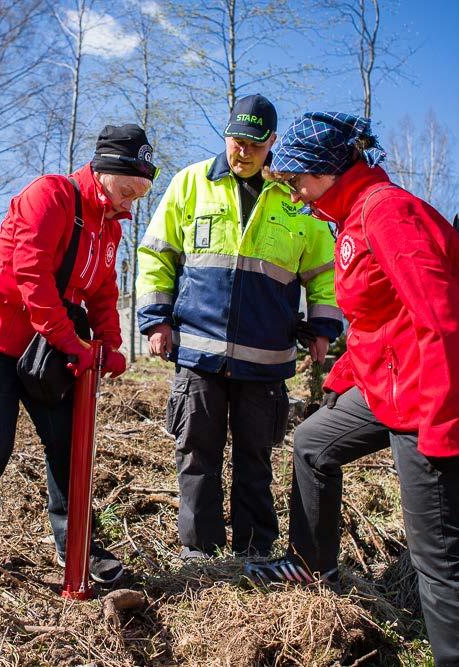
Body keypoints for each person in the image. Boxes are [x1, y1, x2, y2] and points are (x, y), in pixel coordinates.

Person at [248, 112, 459, 666]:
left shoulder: (388, 213)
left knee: (440, 558)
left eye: (298, 180)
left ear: (330, 170)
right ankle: (313, 569)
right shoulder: (353, 218)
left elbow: (440, 322)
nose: (294, 191)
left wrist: (438, 426)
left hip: (437, 396)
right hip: (391, 383)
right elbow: (373, 323)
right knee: (313, 443)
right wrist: (342, 379)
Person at [0, 124, 158, 587]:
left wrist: (111, 345)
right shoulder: (50, 195)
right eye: (126, 190)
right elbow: (32, 278)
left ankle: (77, 546)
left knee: (67, 443)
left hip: (42, 347)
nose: (129, 204)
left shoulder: (109, 227)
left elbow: (102, 291)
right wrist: (73, 344)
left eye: (138, 196)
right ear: (103, 172)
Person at [136, 96, 342, 560]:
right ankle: (199, 550)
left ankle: (255, 549)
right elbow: (156, 254)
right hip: (198, 353)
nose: (242, 151)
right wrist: (155, 321)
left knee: (256, 460)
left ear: (271, 143)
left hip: (266, 359)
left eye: (254, 143)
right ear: (225, 137)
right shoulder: (191, 183)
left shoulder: (296, 201)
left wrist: (325, 326)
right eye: (235, 140)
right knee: (196, 454)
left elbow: (326, 273)